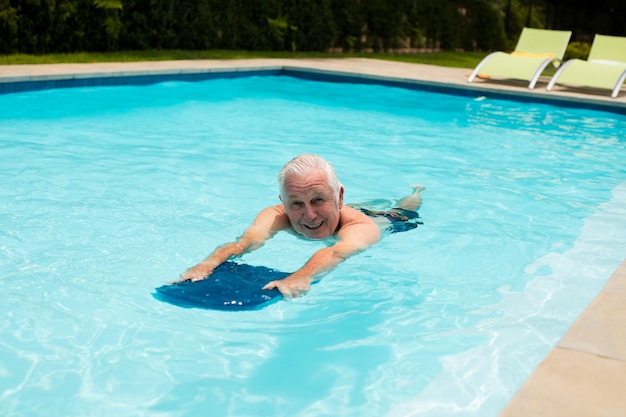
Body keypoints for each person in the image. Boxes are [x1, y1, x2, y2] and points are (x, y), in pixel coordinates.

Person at [174, 154, 423, 299]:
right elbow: (246, 241)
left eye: (318, 200)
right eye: (296, 204)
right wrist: (208, 263)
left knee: (406, 208)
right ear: (283, 202)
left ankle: (416, 192)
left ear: (339, 198)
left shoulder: (361, 227)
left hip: (390, 220)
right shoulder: (277, 214)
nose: (309, 215)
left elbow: (335, 252)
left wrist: (301, 276)